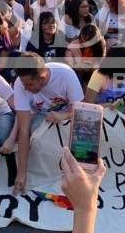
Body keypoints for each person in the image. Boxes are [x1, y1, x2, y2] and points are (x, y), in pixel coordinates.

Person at [12, 52, 84, 195]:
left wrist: (64, 115)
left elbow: (83, 113)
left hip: (70, 116)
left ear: (42, 78)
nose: (25, 89)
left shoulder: (66, 76)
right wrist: (21, 174)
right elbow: (24, 129)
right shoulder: (21, 83)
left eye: (29, 85)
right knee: (37, 131)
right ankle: (49, 173)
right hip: (42, 117)